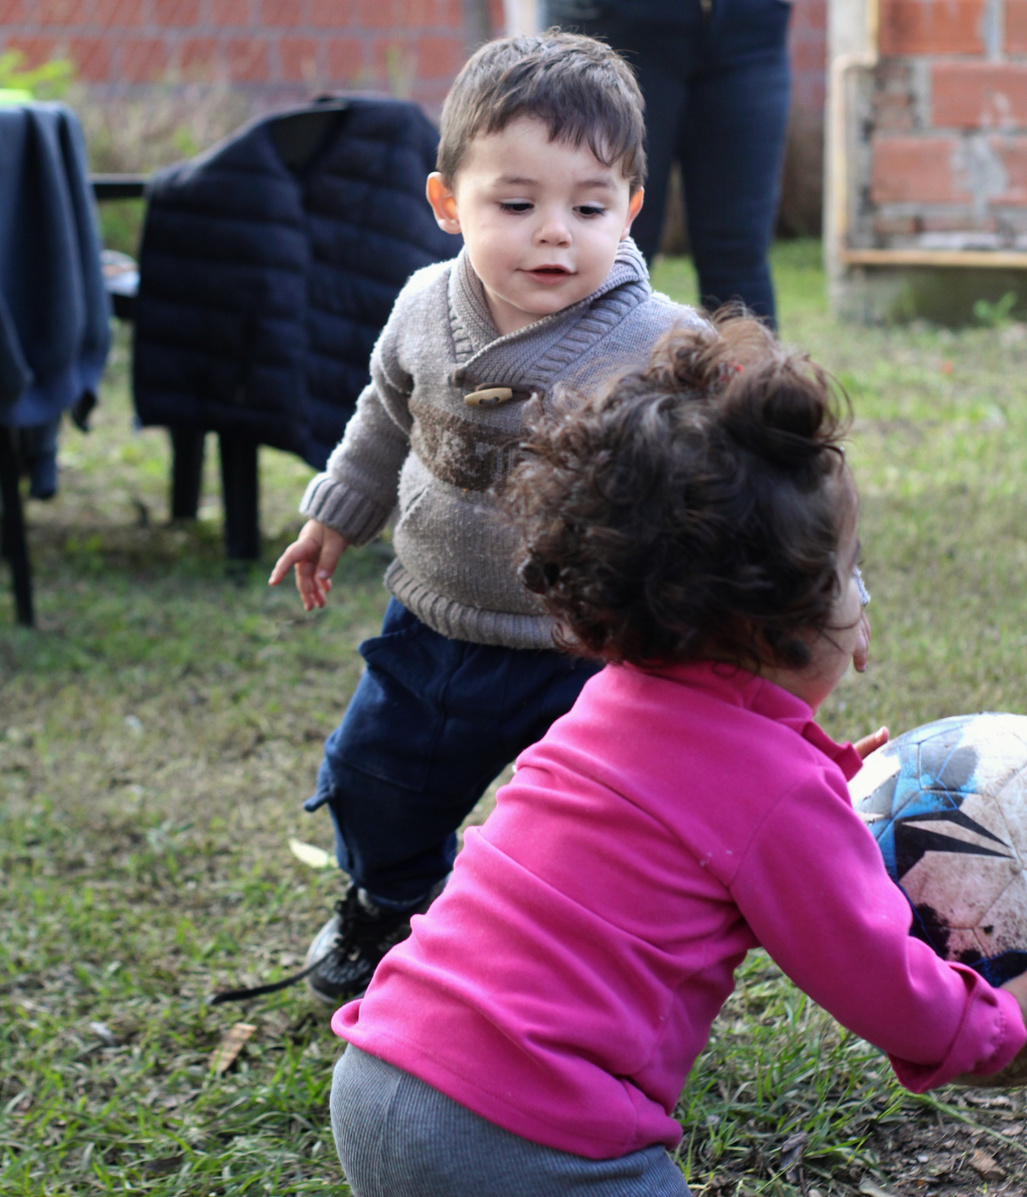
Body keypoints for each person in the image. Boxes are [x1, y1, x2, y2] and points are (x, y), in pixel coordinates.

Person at [327, 315, 1027, 1197]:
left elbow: (700, 814)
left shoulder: (607, 704)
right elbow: (877, 977)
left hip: (380, 1072)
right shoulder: (770, 793)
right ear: (786, 622)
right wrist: (1000, 1028)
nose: (862, 599)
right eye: (850, 574)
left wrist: (820, 786)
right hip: (521, 1132)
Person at [263, 30, 708, 1008]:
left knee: (601, 825)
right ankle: (391, 902)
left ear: (631, 207)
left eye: (588, 207)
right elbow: (387, 411)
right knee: (376, 780)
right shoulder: (424, 305)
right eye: (515, 204)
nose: (554, 234)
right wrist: (338, 512)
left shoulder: (662, 345)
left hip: (594, 646)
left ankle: (573, 965)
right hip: (435, 620)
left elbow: (756, 466)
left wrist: (818, 594)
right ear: (446, 202)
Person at [544, 0, 793, 328]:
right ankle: (566, 363)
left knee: (740, 255)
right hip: (616, 21)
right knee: (607, 243)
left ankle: (748, 365)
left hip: (748, 23)